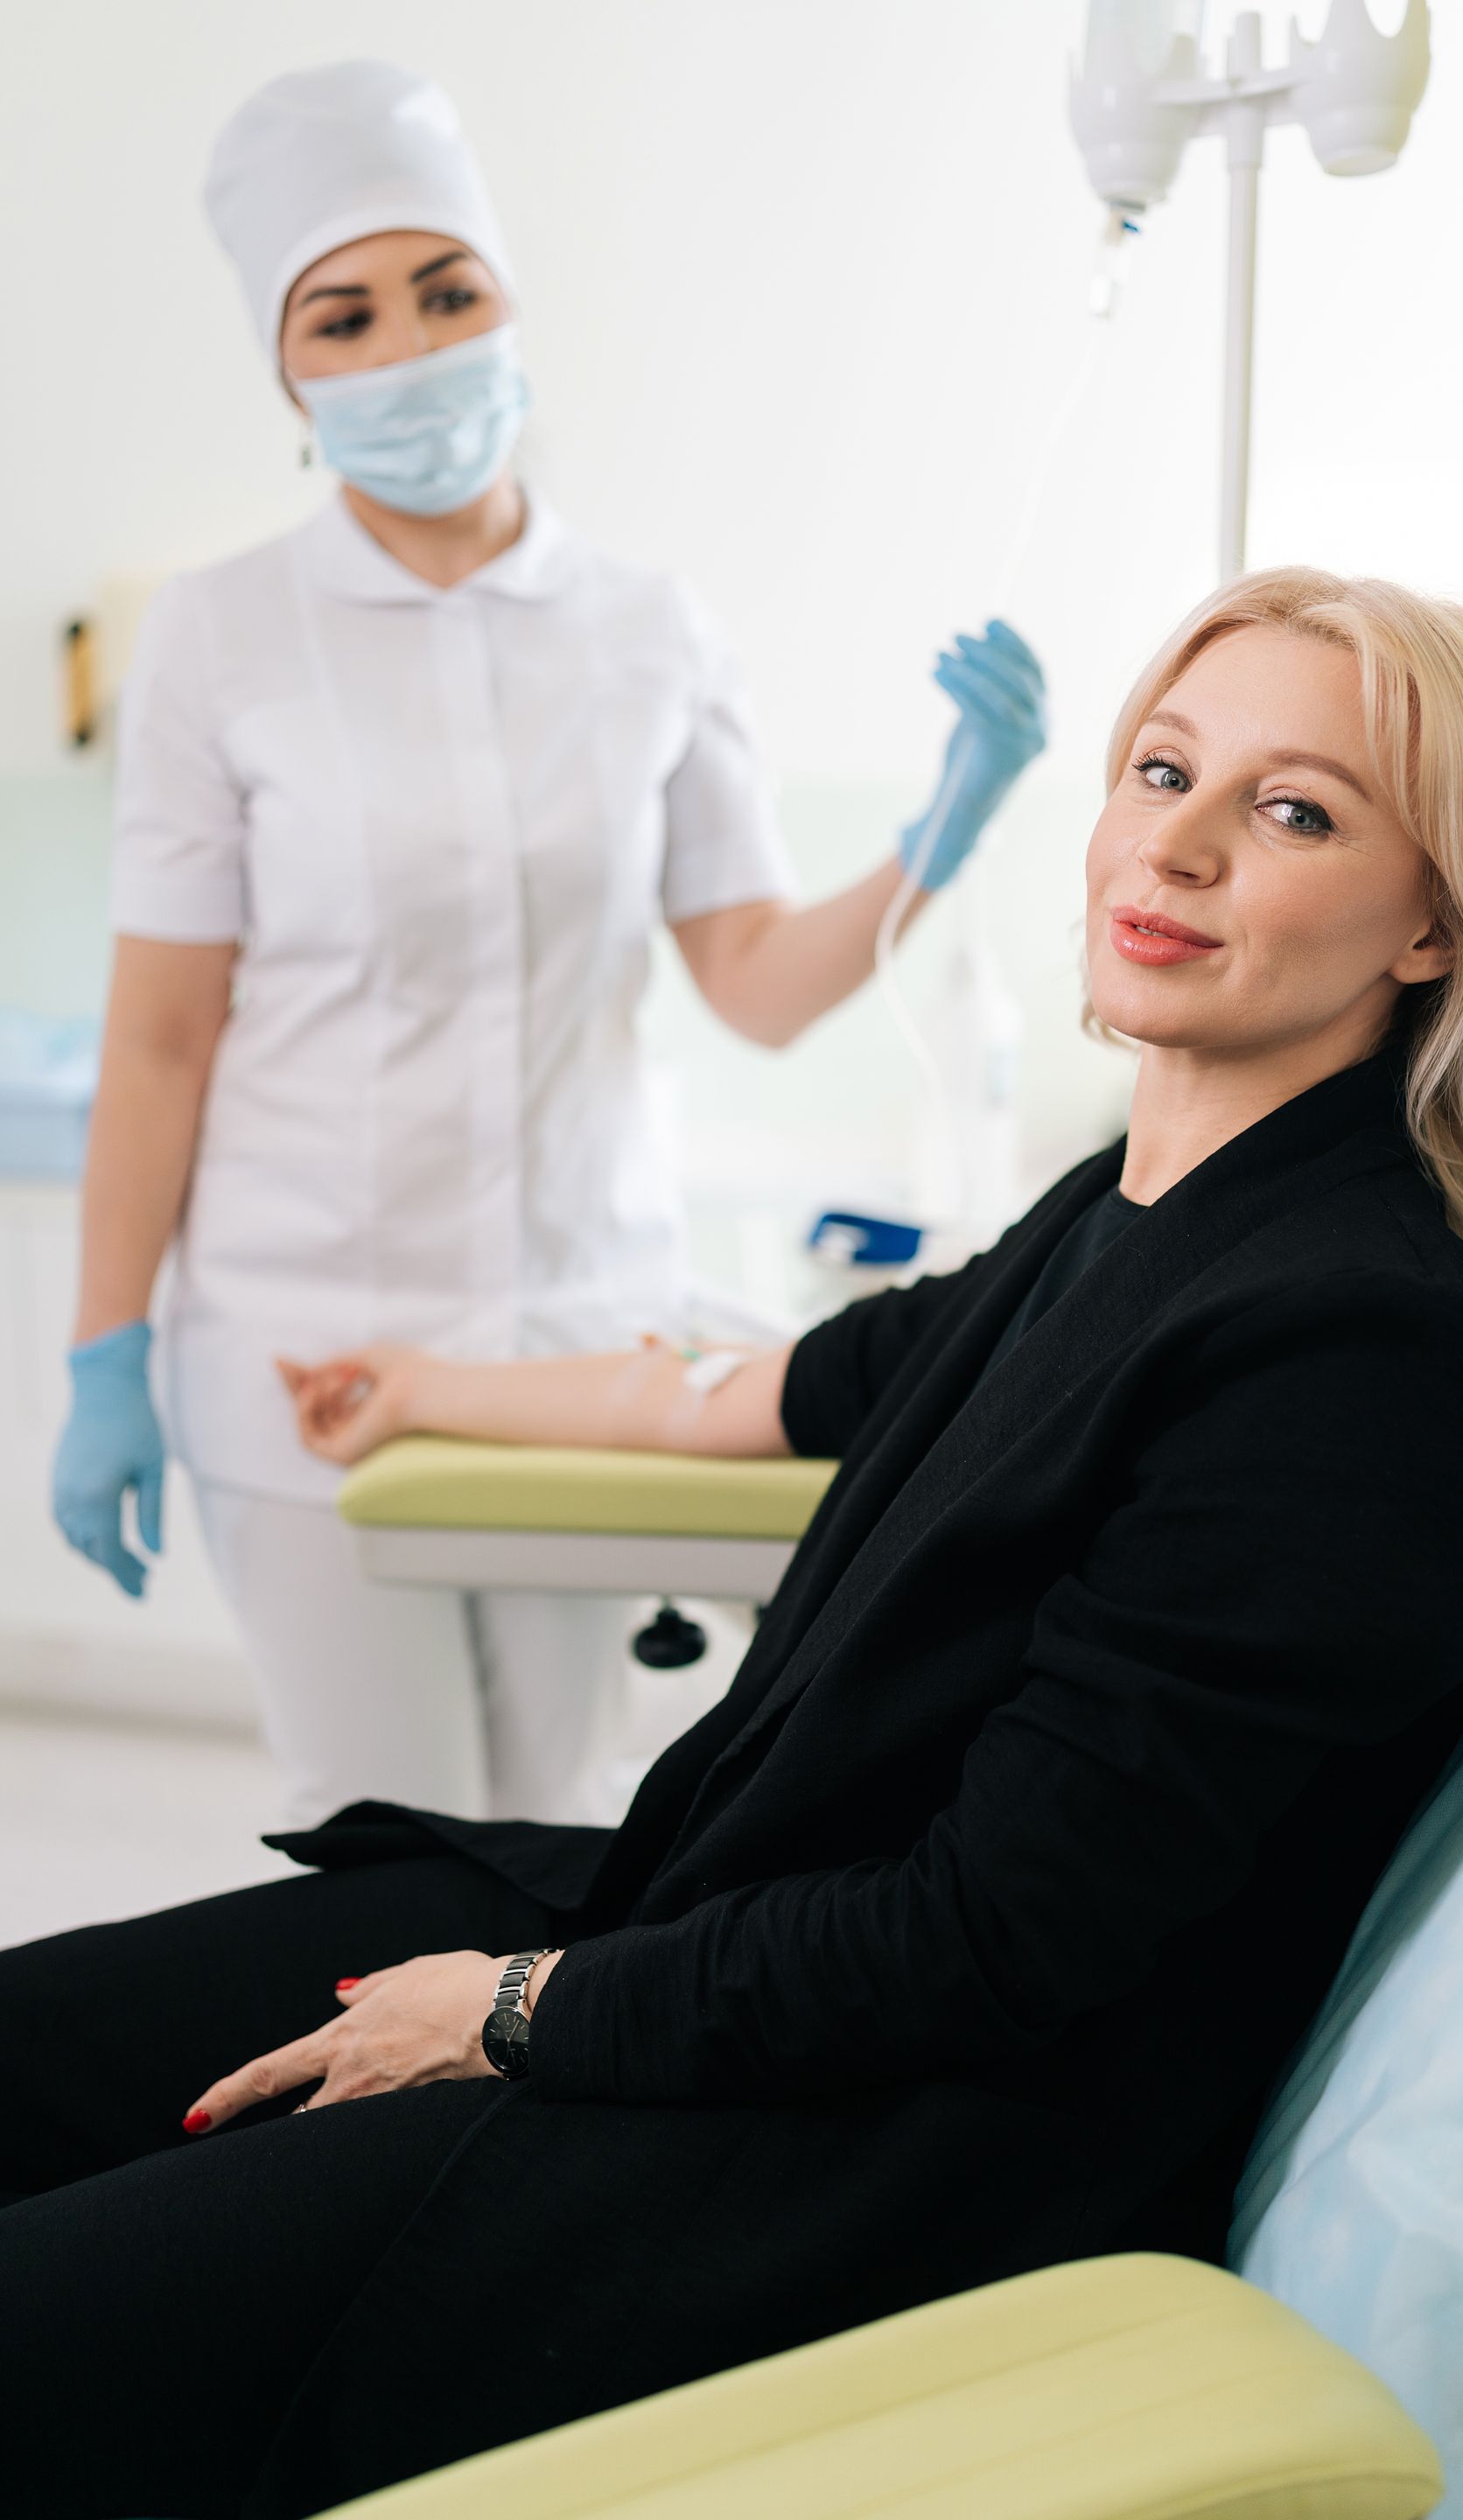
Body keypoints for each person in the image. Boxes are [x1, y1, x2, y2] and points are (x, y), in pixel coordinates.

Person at [4, 569, 1463, 2520]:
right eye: (1163, 767)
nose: (1174, 844)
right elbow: (793, 1382)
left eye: (1295, 811)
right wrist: (431, 1386)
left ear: (1434, 921)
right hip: (708, 1945)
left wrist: (515, 2007)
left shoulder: (1366, 1360)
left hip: (847, 2148)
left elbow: (998, 1940)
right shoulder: (1128, 1213)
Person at [47, 62, 1046, 1830]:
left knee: (564, 1835)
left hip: (581, 1345)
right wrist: (104, 1355)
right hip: (302, 1348)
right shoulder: (223, 637)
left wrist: (930, 845)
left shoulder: (649, 630)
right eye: (344, 314)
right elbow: (161, 1042)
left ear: (512, 305)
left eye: (450, 290)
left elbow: (749, 981)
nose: (413, 346)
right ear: (291, 373)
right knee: (386, 1851)